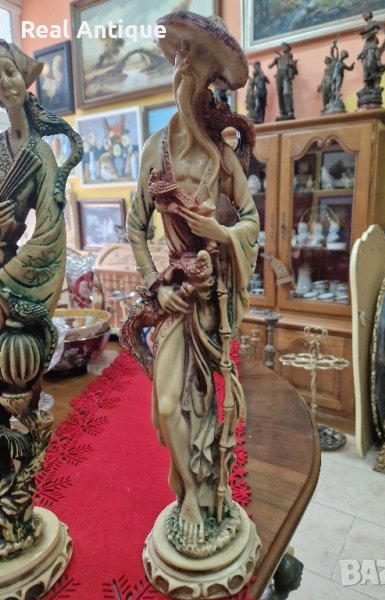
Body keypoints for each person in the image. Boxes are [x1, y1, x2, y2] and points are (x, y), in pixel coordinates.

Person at [121, 12, 259, 550]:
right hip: (174, 298)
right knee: (166, 407)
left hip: (212, 300)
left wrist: (219, 232)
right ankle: (190, 497)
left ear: (208, 82)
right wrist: (156, 285)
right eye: (179, 56)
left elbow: (250, 222)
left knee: (209, 404)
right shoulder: (154, 150)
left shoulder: (222, 156)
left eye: (194, 60)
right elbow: (135, 227)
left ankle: (207, 493)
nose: (182, 67)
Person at [0, 39, 82, 552]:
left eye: (9, 71)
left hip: (11, 288)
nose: (3, 83)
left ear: (24, 81)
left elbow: (50, 235)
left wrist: (7, 278)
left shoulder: (40, 155)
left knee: (16, 387)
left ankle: (16, 512)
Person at [268, 42, 298, 120]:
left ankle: (289, 111)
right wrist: (275, 61)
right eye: (282, 47)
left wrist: (291, 64)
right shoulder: (279, 58)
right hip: (279, 75)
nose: (282, 48)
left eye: (284, 46)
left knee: (286, 93)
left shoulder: (290, 56)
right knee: (280, 94)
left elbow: (295, 70)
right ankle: (283, 112)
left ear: (288, 48)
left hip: (285, 75)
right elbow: (269, 66)